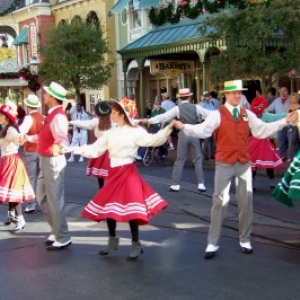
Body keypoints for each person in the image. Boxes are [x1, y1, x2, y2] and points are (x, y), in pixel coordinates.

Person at [173, 79, 299, 259]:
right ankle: (212, 242)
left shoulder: (247, 114)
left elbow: (262, 130)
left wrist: (285, 120)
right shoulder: (218, 114)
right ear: (226, 95)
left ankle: (245, 239)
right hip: (225, 162)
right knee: (220, 201)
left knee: (246, 201)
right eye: (234, 93)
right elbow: (203, 131)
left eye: (239, 93)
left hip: (244, 163)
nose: (237, 95)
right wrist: (185, 127)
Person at [66, 99, 174, 260]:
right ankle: (112, 240)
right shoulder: (111, 132)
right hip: (114, 173)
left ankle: (136, 243)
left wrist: (168, 128)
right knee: (109, 208)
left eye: (115, 112)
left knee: (132, 210)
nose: (112, 114)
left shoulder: (136, 131)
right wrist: (70, 149)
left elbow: (152, 140)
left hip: (128, 173)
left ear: (123, 114)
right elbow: (94, 150)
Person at [141, 88, 211, 192]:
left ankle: (176, 184)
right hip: (194, 132)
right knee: (198, 158)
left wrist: (150, 120)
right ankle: (201, 184)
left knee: (180, 159)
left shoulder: (177, 109)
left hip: (183, 133)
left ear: (179, 98)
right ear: (189, 97)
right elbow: (209, 114)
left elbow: (164, 117)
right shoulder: (196, 107)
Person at [33, 81, 72, 250]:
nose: (44, 95)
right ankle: (57, 230)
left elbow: (62, 137)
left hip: (52, 160)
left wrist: (62, 145)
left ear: (53, 98)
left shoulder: (58, 116)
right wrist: (27, 138)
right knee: (41, 197)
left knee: (55, 199)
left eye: (46, 94)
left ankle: (63, 236)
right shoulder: (51, 115)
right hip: (44, 159)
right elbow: (43, 136)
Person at [0, 104, 35, 232]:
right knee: (11, 189)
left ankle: (20, 219)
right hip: (7, 160)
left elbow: (17, 137)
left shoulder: (10, 130)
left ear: (6, 117)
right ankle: (11, 215)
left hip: (12, 161)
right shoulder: (5, 128)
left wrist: (24, 137)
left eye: (1, 115)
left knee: (14, 190)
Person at [69, 101, 112, 189]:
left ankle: (102, 189)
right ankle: (110, 190)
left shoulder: (96, 121)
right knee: (111, 170)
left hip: (100, 148)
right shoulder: (112, 121)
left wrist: (71, 122)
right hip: (111, 148)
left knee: (100, 171)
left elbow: (85, 124)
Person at [249, 96, 286, 190]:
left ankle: (271, 181)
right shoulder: (250, 115)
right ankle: (252, 183)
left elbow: (275, 117)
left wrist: (288, 115)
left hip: (263, 142)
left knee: (268, 161)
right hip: (253, 142)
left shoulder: (265, 115)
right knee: (254, 164)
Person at [19, 94, 45, 213]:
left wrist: (28, 138)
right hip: (42, 150)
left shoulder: (29, 118)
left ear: (28, 105)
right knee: (41, 177)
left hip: (30, 150)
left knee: (31, 178)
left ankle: (31, 204)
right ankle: (43, 201)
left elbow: (22, 132)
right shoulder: (42, 117)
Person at [266, 86, 290, 160]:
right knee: (281, 140)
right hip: (279, 123)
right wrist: (261, 111)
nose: (282, 92)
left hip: (290, 123)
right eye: (281, 91)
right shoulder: (276, 100)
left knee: (291, 141)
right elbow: (269, 108)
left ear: (287, 91)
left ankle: (291, 157)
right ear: (279, 92)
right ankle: (281, 157)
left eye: (284, 90)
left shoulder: (291, 99)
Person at [285, 92, 300, 162]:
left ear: (297, 99)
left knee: (296, 141)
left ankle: (295, 156)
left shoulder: (299, 106)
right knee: (291, 141)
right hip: (290, 126)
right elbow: (286, 116)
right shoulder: (289, 107)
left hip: (298, 125)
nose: (293, 100)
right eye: (291, 98)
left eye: (294, 98)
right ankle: (291, 156)